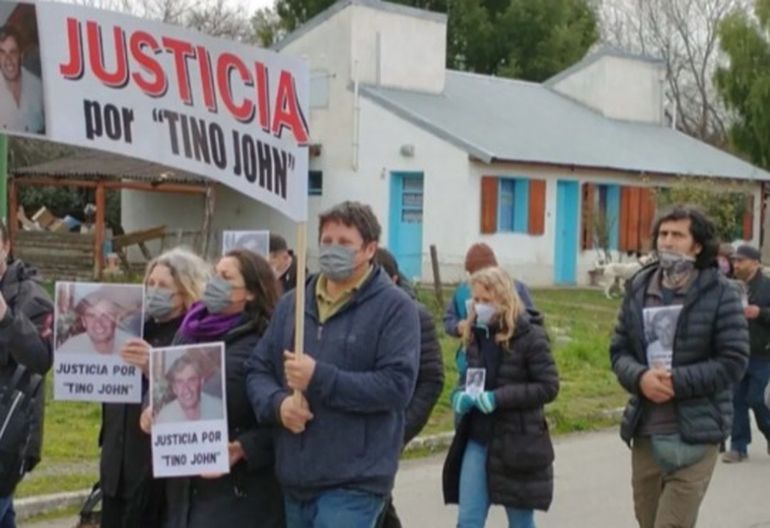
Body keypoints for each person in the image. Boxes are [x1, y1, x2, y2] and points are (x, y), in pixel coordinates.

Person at [247, 201, 420, 528]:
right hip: (296, 474)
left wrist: (319, 377)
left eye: (344, 243)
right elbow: (258, 370)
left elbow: (397, 387)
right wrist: (278, 404)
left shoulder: (395, 309)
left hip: (355, 479)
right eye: (326, 242)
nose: (332, 250)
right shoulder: (292, 304)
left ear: (369, 249)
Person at [610, 205, 749, 528]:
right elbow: (618, 351)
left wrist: (678, 381)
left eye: (677, 235)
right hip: (646, 432)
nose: (667, 242)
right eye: (663, 234)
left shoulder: (722, 293)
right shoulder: (639, 288)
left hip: (696, 433)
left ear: (697, 245)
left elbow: (733, 361)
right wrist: (641, 377)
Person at [142, 249, 285, 528]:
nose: (214, 282)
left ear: (252, 293)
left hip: (239, 494)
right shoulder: (190, 330)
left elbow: (282, 416)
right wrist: (150, 407)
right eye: (215, 274)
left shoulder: (266, 339)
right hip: (184, 489)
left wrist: (245, 448)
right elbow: (165, 382)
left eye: (226, 277)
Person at [100, 247, 209, 528]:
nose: (154, 291)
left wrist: (156, 368)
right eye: (150, 283)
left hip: (158, 472)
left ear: (186, 290)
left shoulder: (192, 336)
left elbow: (194, 399)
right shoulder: (131, 329)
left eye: (163, 285)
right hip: (117, 466)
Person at [442, 266, 558, 528]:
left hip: (517, 442)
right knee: (468, 519)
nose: (479, 306)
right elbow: (470, 377)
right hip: (478, 437)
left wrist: (499, 398)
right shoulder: (475, 334)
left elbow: (548, 386)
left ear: (504, 299)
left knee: (520, 521)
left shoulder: (531, 336)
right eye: (477, 299)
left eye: (486, 300)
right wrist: (460, 395)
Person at [373, 248, 444, 528]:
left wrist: (401, 430)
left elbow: (432, 380)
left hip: (389, 431)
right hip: (353, 436)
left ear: (392, 280)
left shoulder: (415, 316)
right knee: (378, 506)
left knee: (375, 502)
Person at [0, 221, 53, 528]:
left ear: (6, 247)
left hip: (9, 433)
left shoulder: (33, 296)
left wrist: (6, 318)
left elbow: (41, 359)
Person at [722, 244, 770, 463]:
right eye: (735, 260)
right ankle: (738, 446)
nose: (736, 264)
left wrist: (760, 312)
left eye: (741, 260)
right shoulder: (731, 287)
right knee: (736, 400)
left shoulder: (767, 287)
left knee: (758, 400)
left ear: (755, 262)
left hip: (763, 353)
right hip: (737, 352)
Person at [57, 288, 135, 355]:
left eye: (105, 315)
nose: (98, 323)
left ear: (116, 319)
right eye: (91, 316)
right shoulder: (69, 349)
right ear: (84, 321)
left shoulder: (133, 348)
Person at [155, 354, 223, 424]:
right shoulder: (164, 418)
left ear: (201, 382)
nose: (186, 388)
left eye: (191, 380)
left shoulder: (219, 409)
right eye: (180, 382)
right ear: (174, 388)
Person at [0, 26, 43, 134]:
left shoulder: (38, 87)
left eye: (13, 52)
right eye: (2, 53)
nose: (8, 59)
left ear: (21, 56)